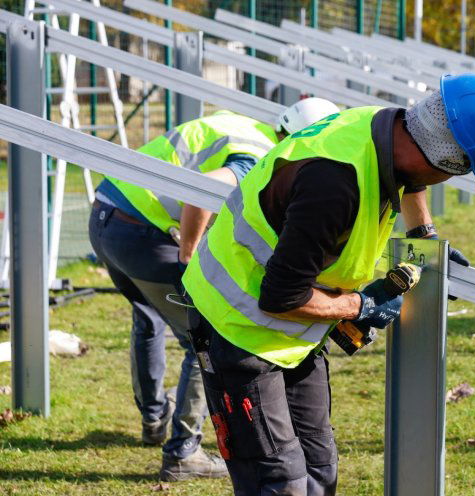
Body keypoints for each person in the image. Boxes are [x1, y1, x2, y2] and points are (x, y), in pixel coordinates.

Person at [181, 73, 475, 494]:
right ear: (447, 162)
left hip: (291, 333)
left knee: (319, 469)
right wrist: (360, 306)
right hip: (237, 328)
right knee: (279, 482)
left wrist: (424, 237)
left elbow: (413, 177)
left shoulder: (388, 129)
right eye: (459, 170)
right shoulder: (334, 184)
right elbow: (281, 296)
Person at [87, 98, 340, 482]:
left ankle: (154, 418)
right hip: (142, 231)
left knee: (149, 316)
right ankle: (183, 453)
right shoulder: (260, 155)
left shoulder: (241, 125)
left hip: (108, 214)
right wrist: (189, 256)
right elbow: (201, 190)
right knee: (204, 336)